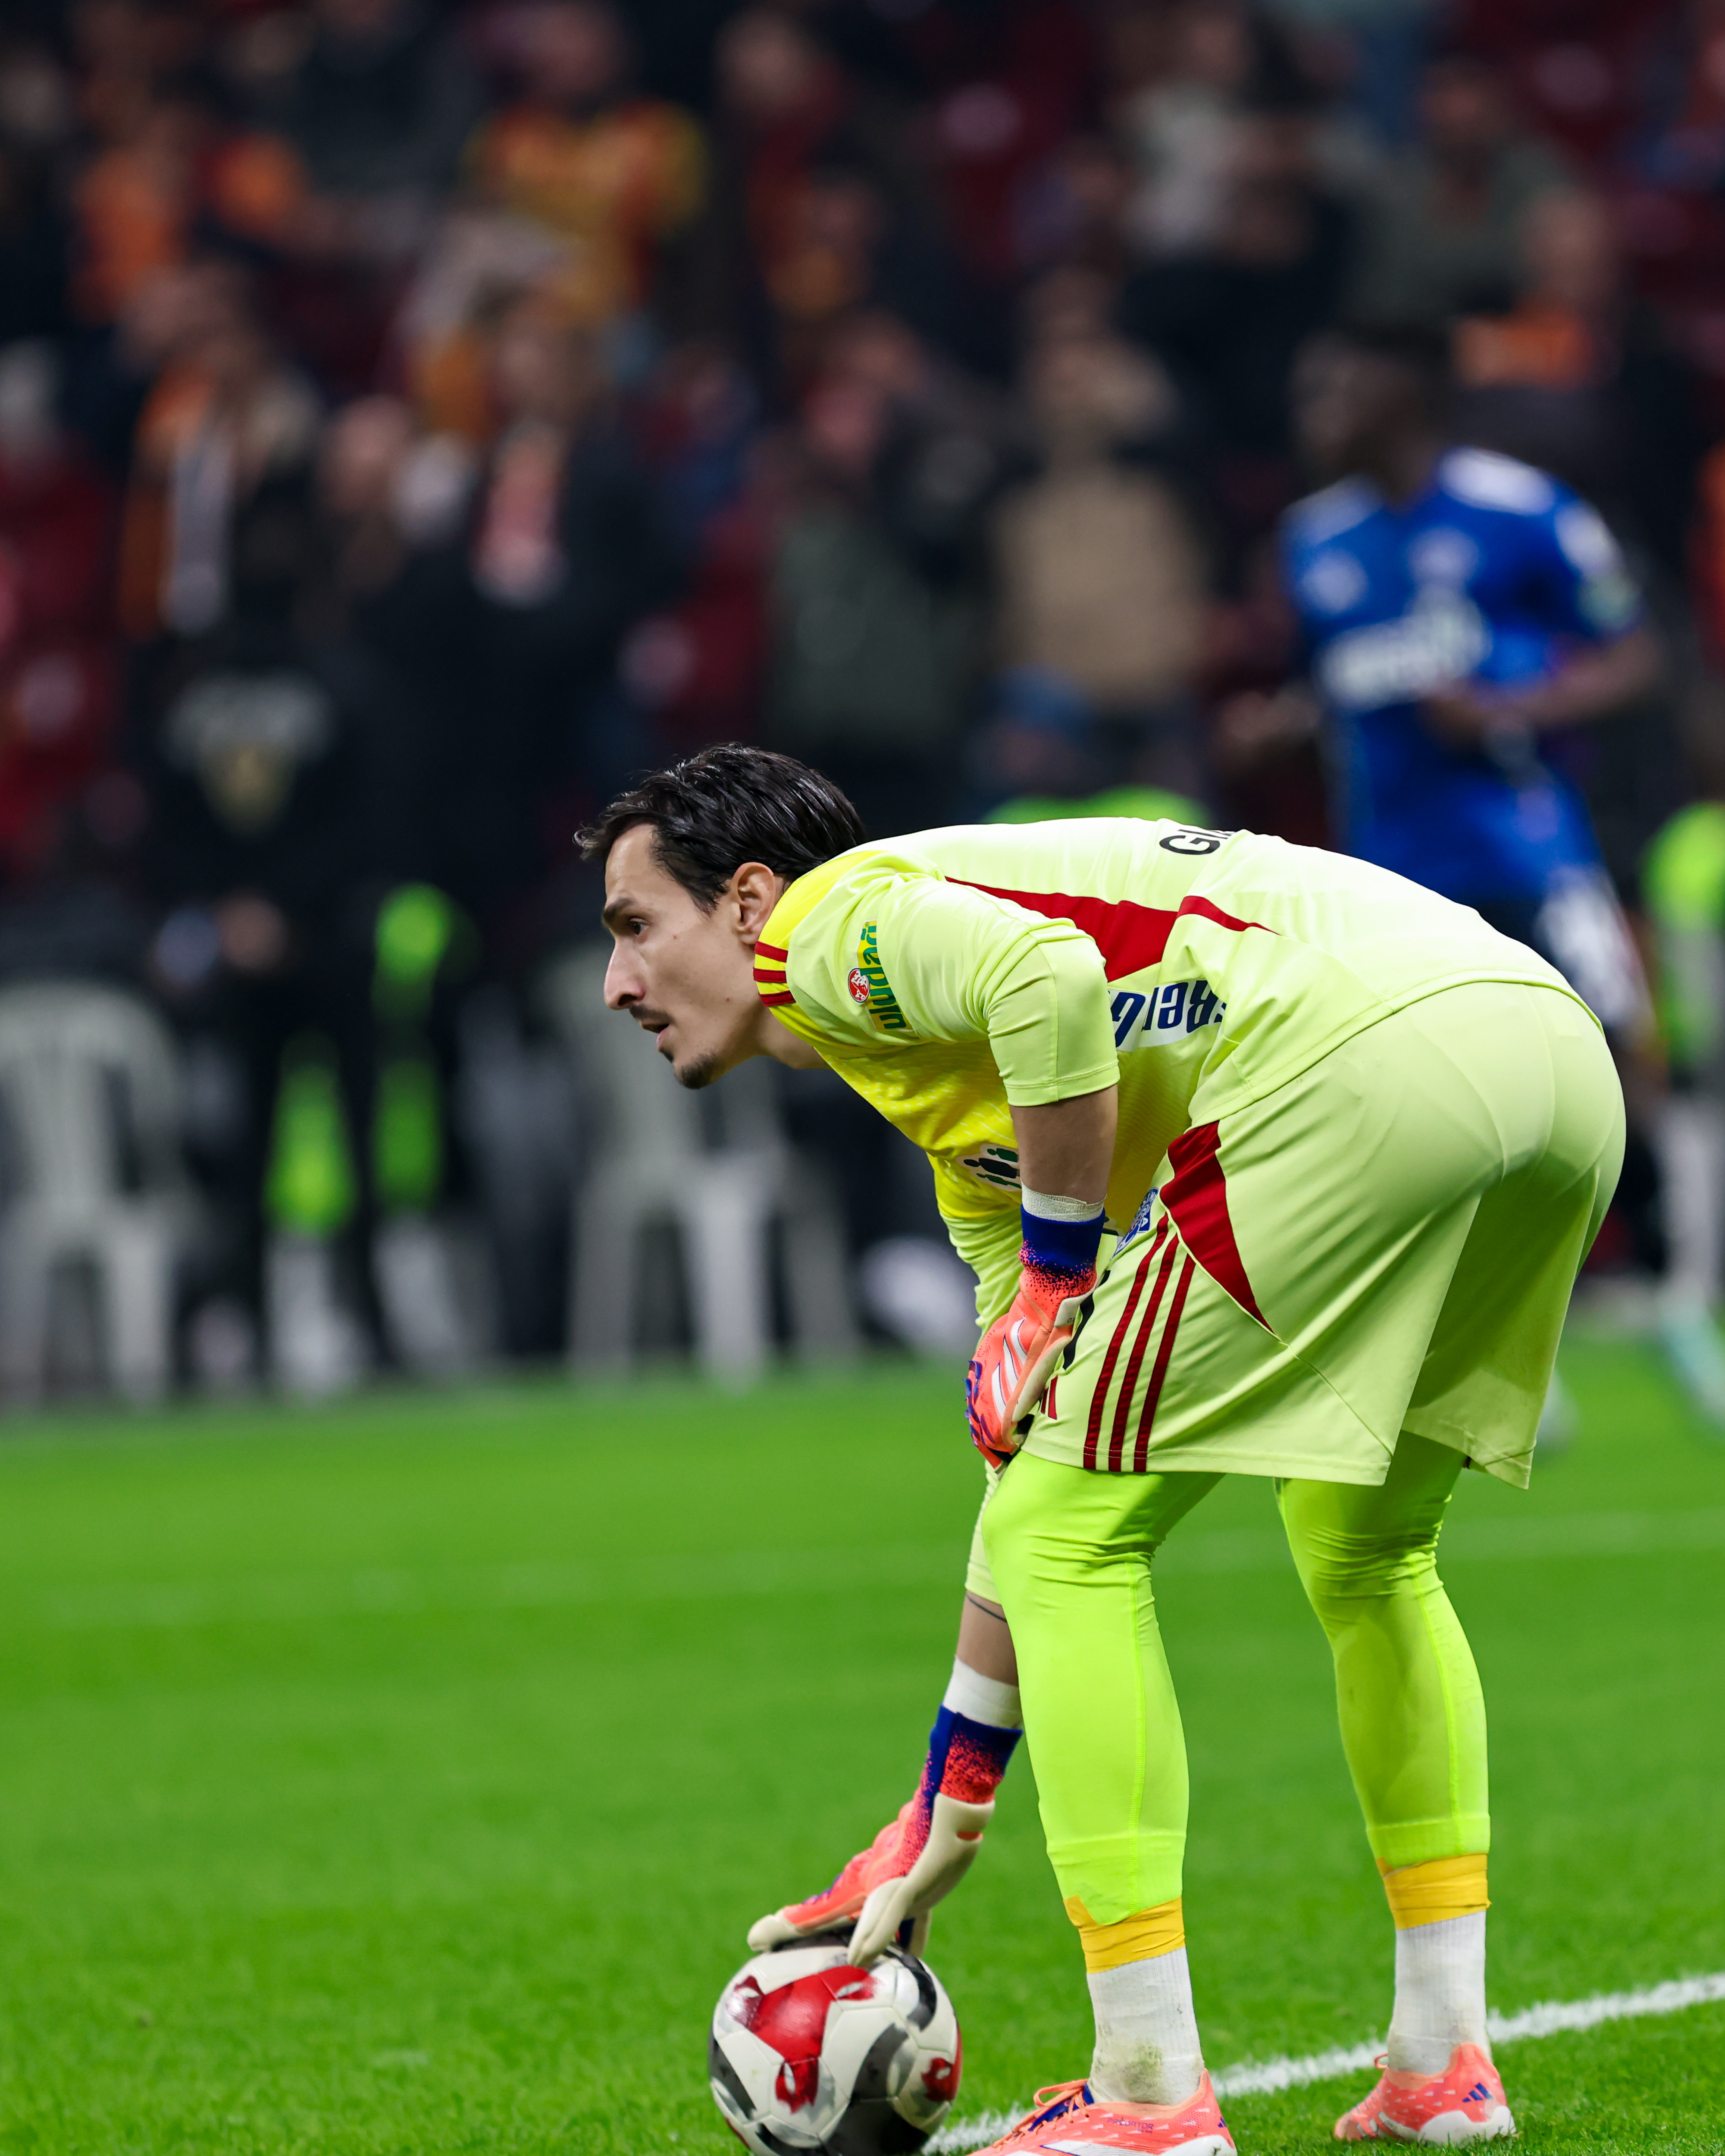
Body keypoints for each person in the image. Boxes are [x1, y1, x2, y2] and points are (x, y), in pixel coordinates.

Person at [584, 743, 1623, 2153]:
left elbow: (1046, 980)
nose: (617, 983)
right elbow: (1028, 1463)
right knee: (1359, 1547)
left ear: (751, 900)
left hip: (1360, 1065)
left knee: (1077, 1536)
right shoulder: (952, 1109)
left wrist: (1058, 1277)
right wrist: (947, 1798)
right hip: (1547, 1054)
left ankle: (1148, 2092)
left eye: (636, 925)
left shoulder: (830, 928)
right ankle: (1443, 2061)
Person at [1222, 320, 1662, 1036]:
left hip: (1524, 843)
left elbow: (1634, 658)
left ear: (1400, 394)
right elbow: (1324, 684)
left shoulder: (1519, 505)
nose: (1311, 414)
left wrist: (1504, 710)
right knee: (1428, 1063)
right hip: (1386, 863)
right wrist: (1277, 727)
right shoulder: (1311, 538)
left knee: (1597, 1036)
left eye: (1332, 392)